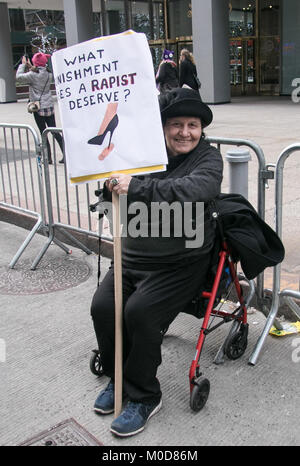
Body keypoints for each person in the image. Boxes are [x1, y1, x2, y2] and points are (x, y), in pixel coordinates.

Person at [90, 87, 223, 437]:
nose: (185, 132)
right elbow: (116, 194)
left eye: (192, 125)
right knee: (103, 307)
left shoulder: (208, 159)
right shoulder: (141, 154)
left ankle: (145, 396)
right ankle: (119, 379)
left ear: (201, 129)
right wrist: (108, 185)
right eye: (176, 124)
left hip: (181, 263)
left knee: (140, 312)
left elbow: (195, 190)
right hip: (133, 256)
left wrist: (135, 187)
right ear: (162, 127)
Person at [16, 52, 64, 164]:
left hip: (38, 107)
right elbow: (38, 70)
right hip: (49, 106)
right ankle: (65, 154)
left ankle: (48, 158)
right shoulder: (48, 74)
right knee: (54, 131)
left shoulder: (33, 75)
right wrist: (30, 66)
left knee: (43, 132)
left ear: (35, 62)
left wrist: (23, 65)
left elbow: (18, 77)